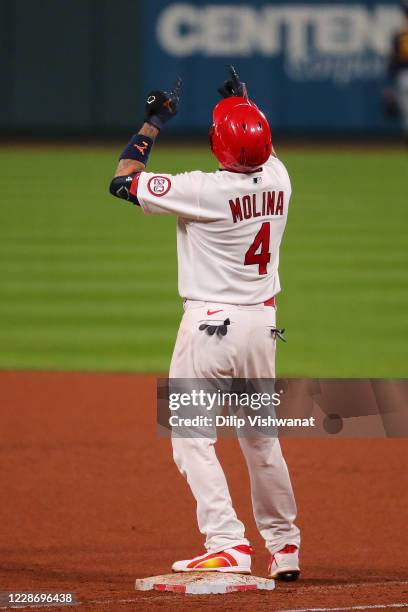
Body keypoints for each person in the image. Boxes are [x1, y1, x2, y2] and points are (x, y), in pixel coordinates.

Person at [109, 67, 300, 580]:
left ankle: (226, 541)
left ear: (218, 144)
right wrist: (245, 101)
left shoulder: (202, 189)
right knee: (262, 440)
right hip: (262, 329)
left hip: (211, 330)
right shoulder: (280, 178)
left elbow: (123, 180)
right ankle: (284, 548)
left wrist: (152, 122)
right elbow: (264, 146)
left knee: (191, 437)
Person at [383, 0, 408, 140]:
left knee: (406, 111)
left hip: (404, 76)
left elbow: (393, 61)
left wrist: (388, 85)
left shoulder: (399, 35)